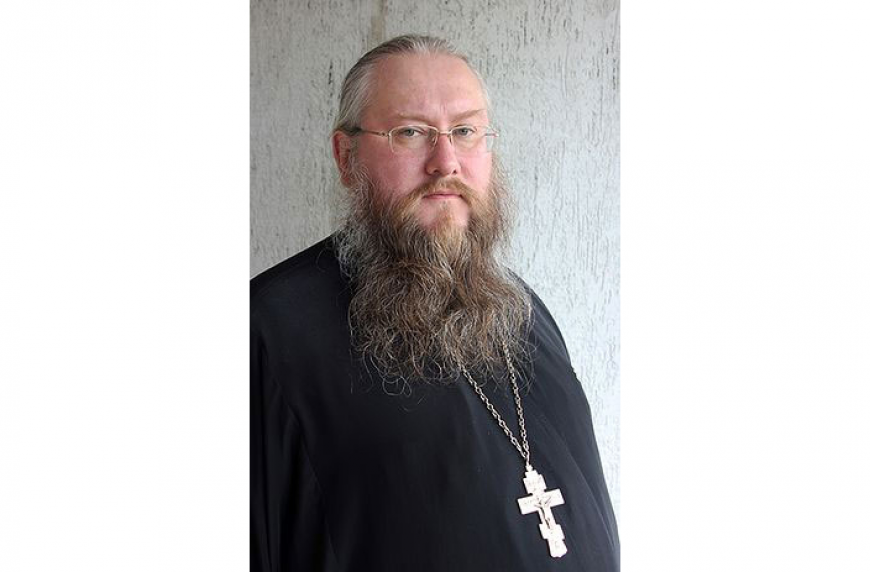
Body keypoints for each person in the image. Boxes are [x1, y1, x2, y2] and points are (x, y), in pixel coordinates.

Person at [251, 34, 619, 571]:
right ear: (346, 158)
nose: (446, 162)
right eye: (411, 133)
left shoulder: (523, 311)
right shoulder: (269, 330)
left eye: (465, 132)